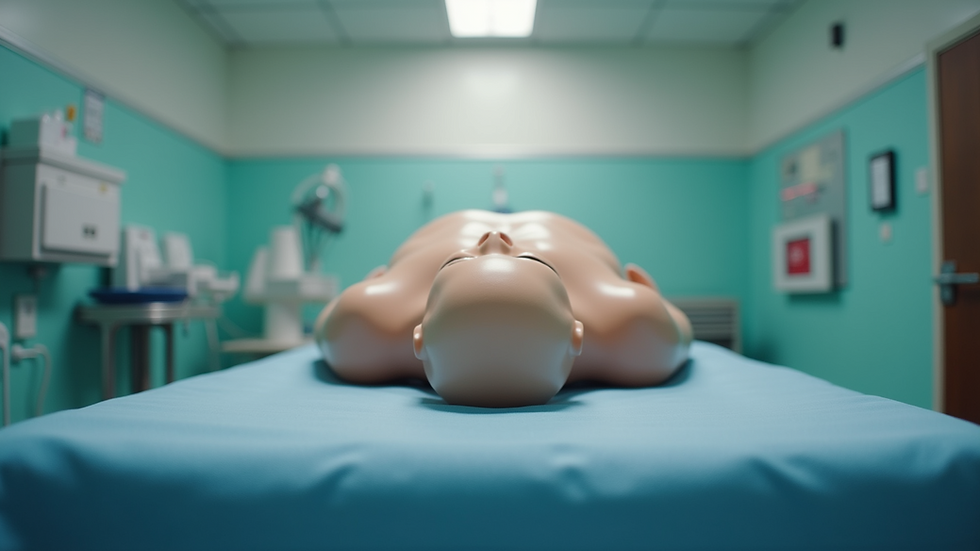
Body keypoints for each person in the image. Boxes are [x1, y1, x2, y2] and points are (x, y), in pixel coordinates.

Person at [315, 210, 692, 407]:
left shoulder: (364, 327)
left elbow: (330, 318)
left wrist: (374, 286)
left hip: (440, 232)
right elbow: (675, 321)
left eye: (460, 261)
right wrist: (647, 295)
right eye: (529, 258)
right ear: (577, 331)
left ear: (419, 337)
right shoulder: (634, 330)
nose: (494, 238)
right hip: (565, 232)